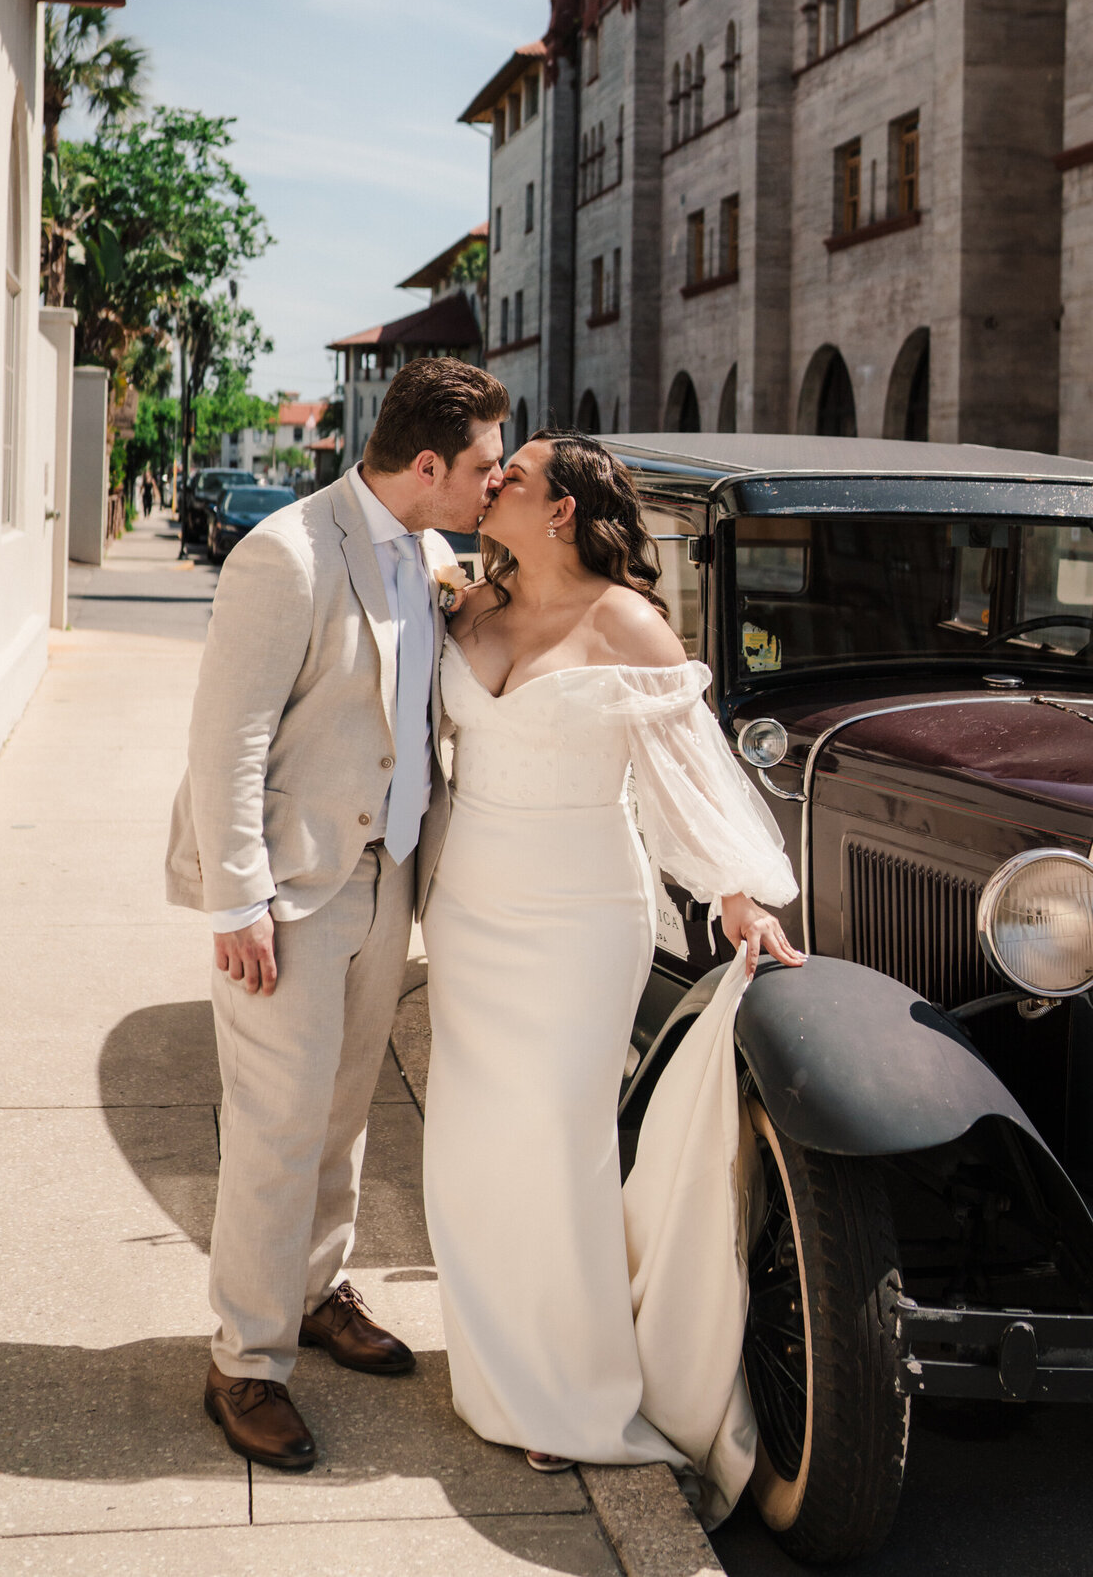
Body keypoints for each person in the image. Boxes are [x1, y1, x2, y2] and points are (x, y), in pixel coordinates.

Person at [421, 430, 804, 1517]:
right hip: (470, 911)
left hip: (579, 912)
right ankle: (500, 1370)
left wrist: (735, 892)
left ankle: (575, 1391)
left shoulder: (625, 620)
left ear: (560, 511)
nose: (491, 480)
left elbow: (684, 770)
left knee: (556, 1141)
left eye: (514, 473)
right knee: (465, 1149)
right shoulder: (465, 602)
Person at [165, 357, 508, 1471]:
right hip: (293, 892)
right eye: (485, 467)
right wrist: (239, 898)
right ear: (426, 465)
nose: (494, 484)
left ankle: (314, 1291)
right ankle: (246, 1363)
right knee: (274, 1125)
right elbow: (229, 739)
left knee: (346, 1111)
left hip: (389, 874)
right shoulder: (285, 553)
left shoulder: (431, 548)